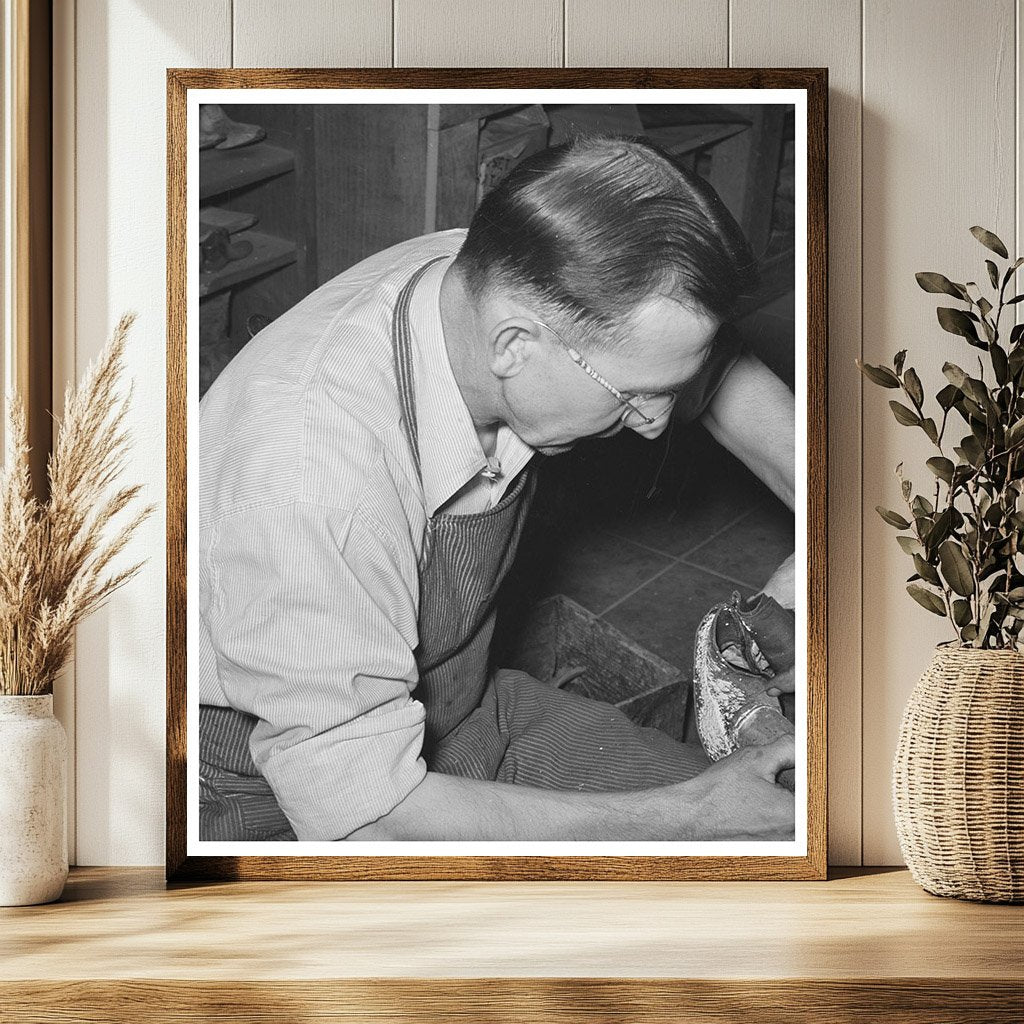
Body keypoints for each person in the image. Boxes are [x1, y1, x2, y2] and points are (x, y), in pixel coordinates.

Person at [197, 135, 796, 844]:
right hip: (282, 800)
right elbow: (368, 819)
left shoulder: (495, 276)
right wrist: (693, 812)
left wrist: (832, 524)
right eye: (636, 395)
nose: (655, 423)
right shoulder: (313, 484)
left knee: (770, 828)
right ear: (515, 346)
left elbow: (707, 367)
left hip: (462, 708)